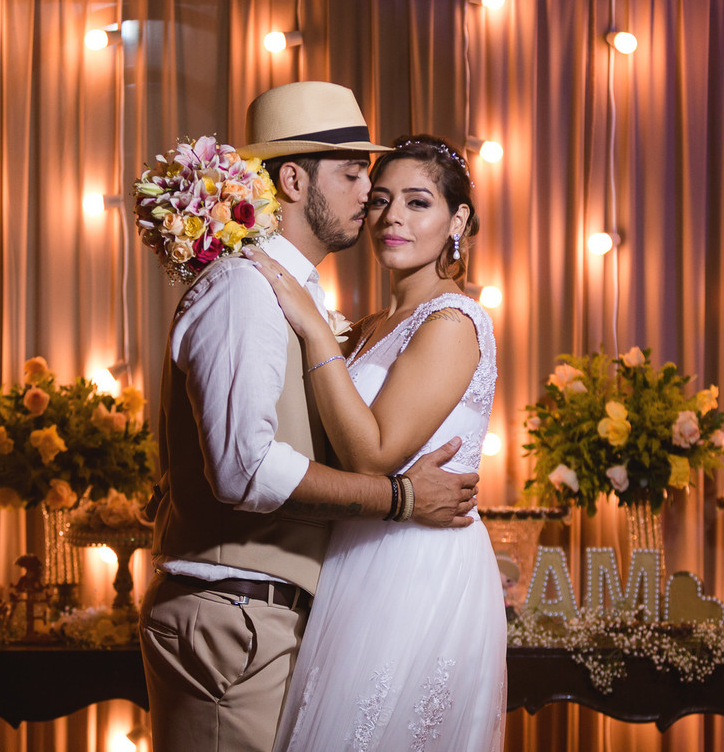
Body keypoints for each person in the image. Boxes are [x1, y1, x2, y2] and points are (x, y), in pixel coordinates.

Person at [139, 83, 481, 752]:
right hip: (233, 617)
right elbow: (244, 470)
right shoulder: (246, 287)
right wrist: (402, 497)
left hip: (270, 620)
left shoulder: (302, 297)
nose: (371, 196)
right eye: (355, 175)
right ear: (293, 179)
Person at [244, 134, 507, 751]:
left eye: (418, 203)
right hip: (354, 552)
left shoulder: (453, 322)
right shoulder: (371, 328)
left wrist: (312, 327)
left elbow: (373, 454)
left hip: (418, 565)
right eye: (381, 200)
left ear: (457, 219)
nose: (392, 218)